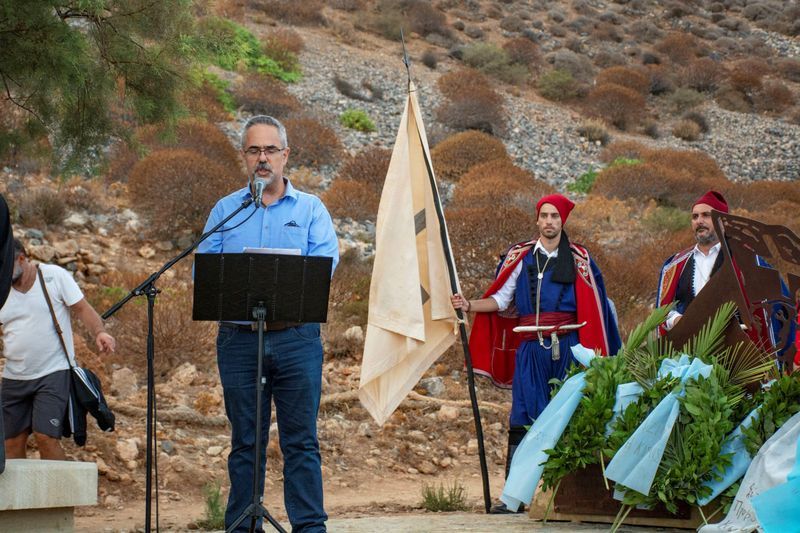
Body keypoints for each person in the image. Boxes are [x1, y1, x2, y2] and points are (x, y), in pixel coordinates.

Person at [197, 115, 339, 532]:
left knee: (301, 441)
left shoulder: (311, 209)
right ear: (244, 156)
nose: (263, 159)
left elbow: (323, 269)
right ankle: (243, 526)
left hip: (296, 339)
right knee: (245, 442)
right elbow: (204, 272)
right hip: (239, 341)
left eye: (270, 150)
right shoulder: (225, 210)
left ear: (285, 155)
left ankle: (309, 527)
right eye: (254, 150)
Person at [451, 193, 621, 512]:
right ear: (537, 219)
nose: (549, 221)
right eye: (544, 215)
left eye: (555, 216)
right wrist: (470, 305)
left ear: (563, 221)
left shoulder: (580, 259)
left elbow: (597, 308)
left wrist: (596, 355)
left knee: (569, 419)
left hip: (570, 347)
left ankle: (564, 497)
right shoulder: (521, 257)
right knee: (524, 417)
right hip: (530, 347)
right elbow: (501, 300)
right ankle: (514, 498)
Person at [1, 239, 115, 460]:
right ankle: (20, 495)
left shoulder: (53, 276)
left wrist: (100, 332)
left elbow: (82, 308)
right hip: (14, 377)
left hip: (52, 372)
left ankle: (58, 495)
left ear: (22, 259)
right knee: (10, 443)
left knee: (46, 437)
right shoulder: (1, 290)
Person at [657, 190, 796, 360]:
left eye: (706, 215)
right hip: (687, 357)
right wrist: (676, 320)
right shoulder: (675, 265)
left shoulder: (749, 261)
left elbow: (779, 306)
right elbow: (663, 310)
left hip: (738, 360)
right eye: (695, 216)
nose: (699, 221)